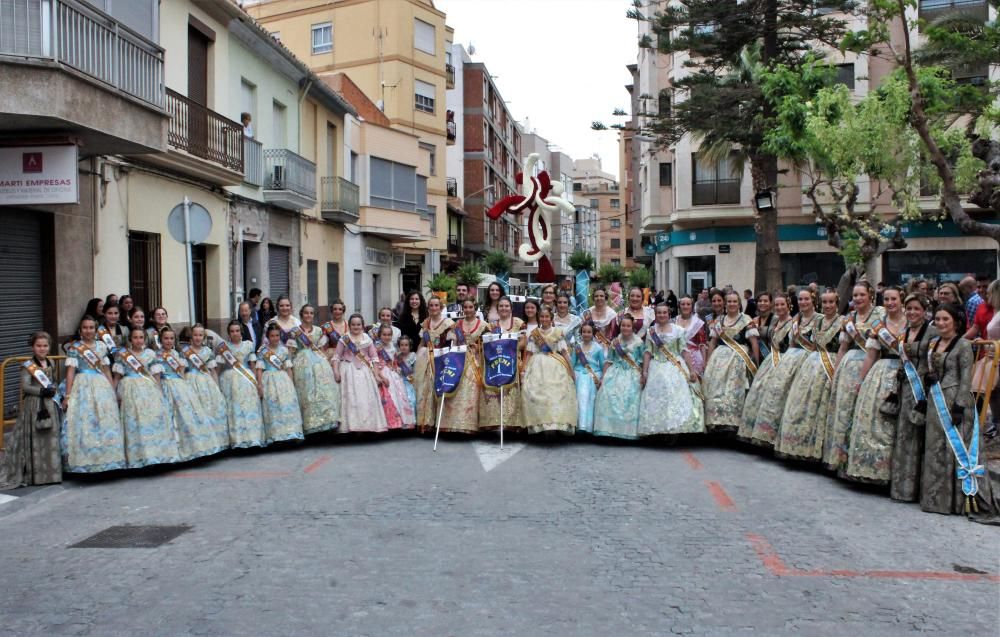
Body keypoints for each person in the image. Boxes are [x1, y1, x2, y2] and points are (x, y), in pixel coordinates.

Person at [918, 303, 995, 515]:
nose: (941, 323)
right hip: (936, 401)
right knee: (936, 449)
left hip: (955, 403)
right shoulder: (933, 344)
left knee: (953, 449)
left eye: (946, 319)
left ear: (956, 322)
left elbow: (966, 379)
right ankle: (937, 500)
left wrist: (960, 406)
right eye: (938, 319)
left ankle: (959, 501)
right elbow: (925, 369)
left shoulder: (963, 345)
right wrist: (927, 379)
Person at [844, 286, 907, 484]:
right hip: (880, 374)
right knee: (875, 421)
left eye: (893, 299)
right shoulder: (879, 326)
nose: (890, 303)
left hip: (905, 373)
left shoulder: (912, 323)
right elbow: (871, 355)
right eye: (886, 299)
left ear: (901, 300)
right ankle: (873, 469)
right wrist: (861, 381)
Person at [823, 281, 886, 471]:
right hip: (848, 370)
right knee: (845, 411)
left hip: (873, 367)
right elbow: (843, 347)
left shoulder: (880, 314)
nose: (858, 299)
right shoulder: (850, 318)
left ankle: (859, 460)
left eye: (862, 295)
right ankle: (840, 459)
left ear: (871, 295)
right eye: (855, 295)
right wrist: (835, 372)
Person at [775, 288, 843, 461]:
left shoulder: (842, 322)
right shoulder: (817, 323)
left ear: (837, 303)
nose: (828, 305)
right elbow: (812, 346)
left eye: (831, 302)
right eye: (825, 302)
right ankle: (797, 444)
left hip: (829, 364)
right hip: (812, 364)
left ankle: (815, 449)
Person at [745, 289, 818, 447]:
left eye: (782, 304)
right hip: (773, 362)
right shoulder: (776, 322)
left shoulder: (793, 322)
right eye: (777, 305)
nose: (779, 307)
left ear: (789, 306)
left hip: (787, 362)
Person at [62, 317, 126, 473]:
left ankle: (108, 461)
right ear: (80, 330)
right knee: (85, 421)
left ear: (96, 330)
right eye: (85, 327)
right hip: (82, 385)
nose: (88, 330)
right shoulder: (74, 348)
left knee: (105, 421)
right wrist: (68, 395)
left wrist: (112, 391)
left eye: (91, 327)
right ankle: (86, 462)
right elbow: (70, 372)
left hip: (101, 385)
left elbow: (105, 370)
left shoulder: (102, 346)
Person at [0, 332, 62, 487]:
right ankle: (36, 476)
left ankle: (51, 474)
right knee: (36, 438)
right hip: (34, 405)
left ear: (49, 346)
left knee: (50, 438)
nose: (42, 349)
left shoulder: (51, 362)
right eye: (38, 346)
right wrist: (41, 391)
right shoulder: (27, 365)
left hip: (49, 404)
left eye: (45, 346)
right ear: (33, 347)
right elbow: (26, 386)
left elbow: (52, 380)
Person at [114, 326, 181, 468]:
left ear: (145, 339)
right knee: (134, 422)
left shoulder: (150, 354)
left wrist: (158, 392)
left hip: (149, 389)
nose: (138, 340)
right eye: (135, 337)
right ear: (130, 339)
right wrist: (114, 393)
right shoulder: (123, 355)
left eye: (141, 337)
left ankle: (155, 455)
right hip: (129, 390)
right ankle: (137, 457)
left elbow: (156, 376)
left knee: (151, 421)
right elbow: (117, 377)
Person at [889, 293, 934, 502]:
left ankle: (920, 490)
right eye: (909, 309)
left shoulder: (932, 333)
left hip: (924, 390)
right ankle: (902, 489)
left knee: (920, 438)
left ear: (924, 311)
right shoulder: (905, 332)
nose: (913, 312)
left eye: (917, 309)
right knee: (905, 436)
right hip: (906, 388)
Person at [157, 327, 223, 462]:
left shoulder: (178, 354)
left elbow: (181, 373)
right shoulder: (156, 355)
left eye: (171, 338)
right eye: (166, 338)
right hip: (165, 385)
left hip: (180, 386)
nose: (169, 341)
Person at [638, 304, 704, 436]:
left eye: (664, 313)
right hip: (656, 366)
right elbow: (647, 352)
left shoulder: (678, 330)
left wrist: (691, 370)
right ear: (655, 315)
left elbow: (684, 351)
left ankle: (676, 428)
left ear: (669, 314)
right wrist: (644, 372)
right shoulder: (651, 331)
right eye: (659, 313)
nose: (662, 315)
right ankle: (658, 429)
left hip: (675, 366)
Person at [738, 293, 794, 443]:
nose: (779, 307)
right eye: (760, 301)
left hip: (779, 360)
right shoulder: (757, 320)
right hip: (767, 360)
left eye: (766, 301)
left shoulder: (783, 321)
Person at [703, 291, 759, 432]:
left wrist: (756, 364)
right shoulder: (719, 320)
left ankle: (733, 423)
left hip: (738, 360)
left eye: (735, 301)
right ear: (725, 304)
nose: (732, 304)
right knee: (717, 390)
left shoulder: (746, 319)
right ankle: (717, 422)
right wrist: (708, 361)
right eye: (729, 301)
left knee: (733, 391)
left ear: (739, 303)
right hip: (719, 360)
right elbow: (712, 342)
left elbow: (754, 343)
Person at [521, 306, 577, 435]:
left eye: (547, 317)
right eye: (542, 316)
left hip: (556, 364)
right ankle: (541, 425)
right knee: (537, 391)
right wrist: (523, 370)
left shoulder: (558, 332)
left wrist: (571, 370)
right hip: (537, 364)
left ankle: (556, 424)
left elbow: (564, 352)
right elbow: (529, 353)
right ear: (539, 318)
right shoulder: (534, 334)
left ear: (551, 318)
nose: (544, 319)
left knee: (558, 392)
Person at [288, 303, 340, 435]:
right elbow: (291, 351)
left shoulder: (318, 330)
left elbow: (321, 349)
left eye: (311, 313)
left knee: (322, 391)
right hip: (302, 365)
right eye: (306, 313)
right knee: (306, 393)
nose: (308, 315)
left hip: (318, 365)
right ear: (301, 315)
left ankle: (324, 422)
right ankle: (309, 424)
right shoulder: (295, 331)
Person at [439, 298, 488, 434]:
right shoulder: (456, 325)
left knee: (472, 389)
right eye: (465, 307)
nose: (467, 310)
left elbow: (488, 345)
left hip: (475, 360)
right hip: (459, 359)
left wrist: (477, 346)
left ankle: (470, 424)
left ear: (475, 308)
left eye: (470, 307)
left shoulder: (483, 325)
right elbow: (452, 344)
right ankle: (453, 423)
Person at [179, 324, 230, 454]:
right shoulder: (185, 351)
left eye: (200, 335)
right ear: (191, 336)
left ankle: (213, 443)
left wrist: (217, 387)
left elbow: (213, 371)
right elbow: (182, 371)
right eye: (195, 335)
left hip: (206, 382)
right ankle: (198, 445)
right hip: (190, 381)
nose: (197, 337)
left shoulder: (208, 351)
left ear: (204, 337)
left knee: (209, 411)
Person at [334, 314, 389, 434]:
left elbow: (374, 358)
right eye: (353, 324)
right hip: (348, 371)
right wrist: (336, 372)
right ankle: (351, 426)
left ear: (362, 325)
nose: (356, 326)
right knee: (350, 399)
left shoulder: (367, 339)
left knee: (365, 399)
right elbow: (336, 357)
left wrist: (376, 375)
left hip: (365, 371)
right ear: (349, 325)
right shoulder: (344, 339)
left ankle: (366, 426)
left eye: (358, 324)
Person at [215, 320, 266, 449]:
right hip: (229, 380)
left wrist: (257, 383)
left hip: (246, 379)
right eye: (232, 331)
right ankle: (237, 440)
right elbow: (219, 368)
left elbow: (252, 364)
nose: (235, 333)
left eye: (237, 331)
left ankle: (252, 438)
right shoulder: (223, 347)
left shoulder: (248, 345)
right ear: (228, 333)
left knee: (249, 408)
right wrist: (216, 383)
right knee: (234, 410)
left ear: (241, 331)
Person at [593, 314, 644, 439]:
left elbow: (642, 361)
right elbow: (609, 360)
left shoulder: (639, 342)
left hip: (633, 372)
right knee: (608, 393)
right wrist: (603, 377)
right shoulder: (615, 342)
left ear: (632, 327)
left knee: (631, 396)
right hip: (615, 371)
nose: (625, 328)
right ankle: (610, 430)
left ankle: (629, 431)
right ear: (620, 326)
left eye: (628, 326)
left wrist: (643, 375)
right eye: (623, 325)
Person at [480, 296, 524, 432]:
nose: (504, 308)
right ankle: (494, 422)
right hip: (495, 362)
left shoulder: (518, 323)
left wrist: (510, 350)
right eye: (501, 306)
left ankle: (511, 423)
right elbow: (487, 344)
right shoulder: (492, 325)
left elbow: (524, 342)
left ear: (511, 308)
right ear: (497, 309)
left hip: (512, 360)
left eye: (506, 306)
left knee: (511, 391)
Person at [255, 323, 304, 444]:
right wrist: (260, 384)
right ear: (268, 336)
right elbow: (260, 369)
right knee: (272, 407)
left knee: (286, 405)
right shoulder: (263, 351)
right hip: (269, 380)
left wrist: (291, 383)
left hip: (283, 380)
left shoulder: (284, 350)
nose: (275, 338)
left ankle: (289, 433)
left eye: (277, 335)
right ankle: (275, 436)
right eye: (272, 336)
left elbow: (288, 368)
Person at [413, 296, 454, 433]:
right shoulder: (425, 323)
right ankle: (425, 423)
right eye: (431, 305)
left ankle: (438, 423)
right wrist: (417, 357)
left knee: (437, 389)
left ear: (441, 307)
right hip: (425, 360)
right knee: (423, 390)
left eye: (436, 305)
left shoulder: (448, 323)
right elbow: (422, 343)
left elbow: (451, 345)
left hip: (440, 359)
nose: (434, 308)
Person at [375, 324, 414, 429]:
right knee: (388, 396)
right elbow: (374, 362)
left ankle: (400, 421)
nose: (387, 337)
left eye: (389, 335)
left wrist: (396, 367)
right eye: (384, 335)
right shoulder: (377, 347)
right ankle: (389, 422)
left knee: (400, 395)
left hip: (393, 373)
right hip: (383, 372)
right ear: (379, 335)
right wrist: (381, 374)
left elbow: (394, 360)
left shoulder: (392, 346)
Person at [571, 322, 606, 435]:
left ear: (593, 333)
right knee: (580, 398)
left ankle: (589, 426)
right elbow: (572, 363)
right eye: (584, 332)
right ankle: (580, 425)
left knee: (591, 400)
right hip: (579, 373)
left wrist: (602, 378)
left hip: (593, 374)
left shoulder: (598, 348)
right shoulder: (577, 347)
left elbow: (602, 364)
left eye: (589, 332)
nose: (586, 334)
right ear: (581, 333)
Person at [674, 296, 707, 377]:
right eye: (683, 304)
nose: (685, 306)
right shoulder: (673, 321)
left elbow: (702, 344)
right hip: (677, 357)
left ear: (692, 306)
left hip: (694, 359)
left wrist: (705, 362)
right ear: (679, 306)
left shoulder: (697, 322)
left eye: (688, 304)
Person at [396, 336, 418, 420]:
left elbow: (416, 370)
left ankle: (411, 420)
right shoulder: (397, 357)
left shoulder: (413, 356)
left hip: (410, 382)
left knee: (410, 400)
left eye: (406, 345)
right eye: (401, 345)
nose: (404, 347)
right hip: (399, 381)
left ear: (410, 346)